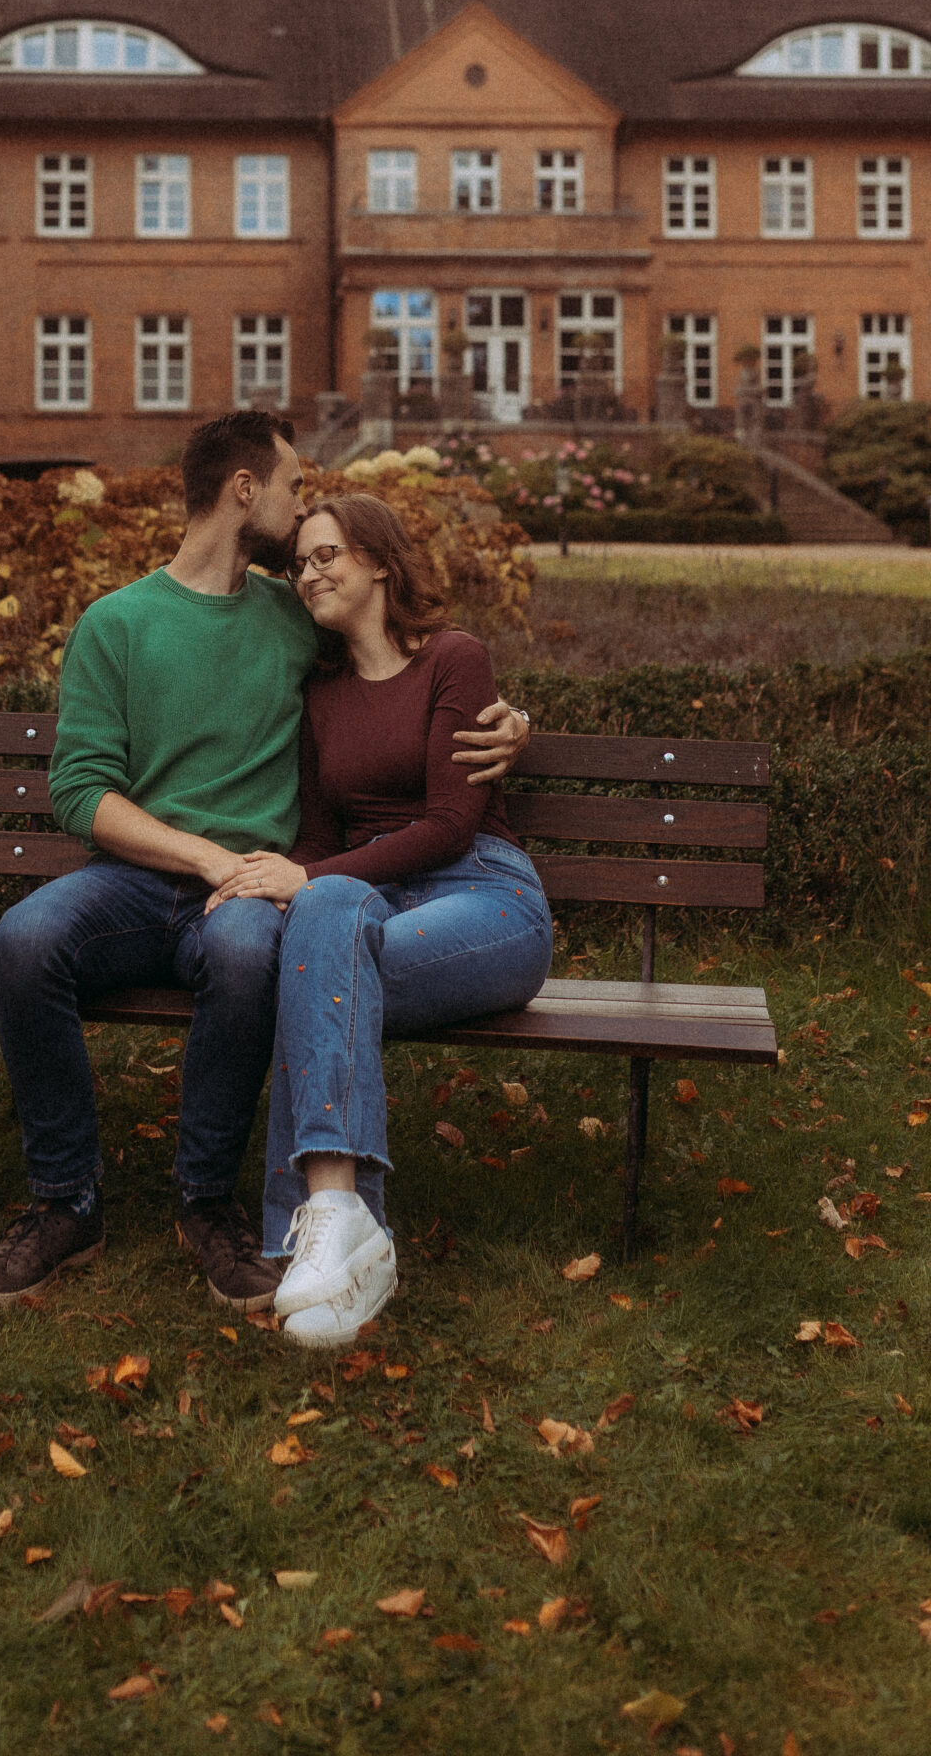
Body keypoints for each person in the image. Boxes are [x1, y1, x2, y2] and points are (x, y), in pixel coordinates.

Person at [0, 412, 530, 1315]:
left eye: (323, 546)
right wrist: (209, 859)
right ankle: (65, 1204)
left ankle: (207, 1205)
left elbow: (404, 663)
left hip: (260, 891)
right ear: (245, 491)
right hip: (149, 882)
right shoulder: (117, 623)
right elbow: (79, 793)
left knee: (250, 954)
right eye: (295, 489)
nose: (305, 536)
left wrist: (509, 719)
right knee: (25, 940)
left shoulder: (296, 620)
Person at [206, 492, 554, 1349]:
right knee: (319, 937)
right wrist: (309, 879)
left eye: (327, 556)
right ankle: (343, 1235)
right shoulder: (319, 697)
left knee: (315, 946)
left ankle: (307, 1231)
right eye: (300, 564)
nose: (309, 573)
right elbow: (323, 841)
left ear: (379, 563)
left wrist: (305, 881)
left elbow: (447, 826)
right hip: (369, 907)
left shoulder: (451, 659)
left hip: (482, 897)